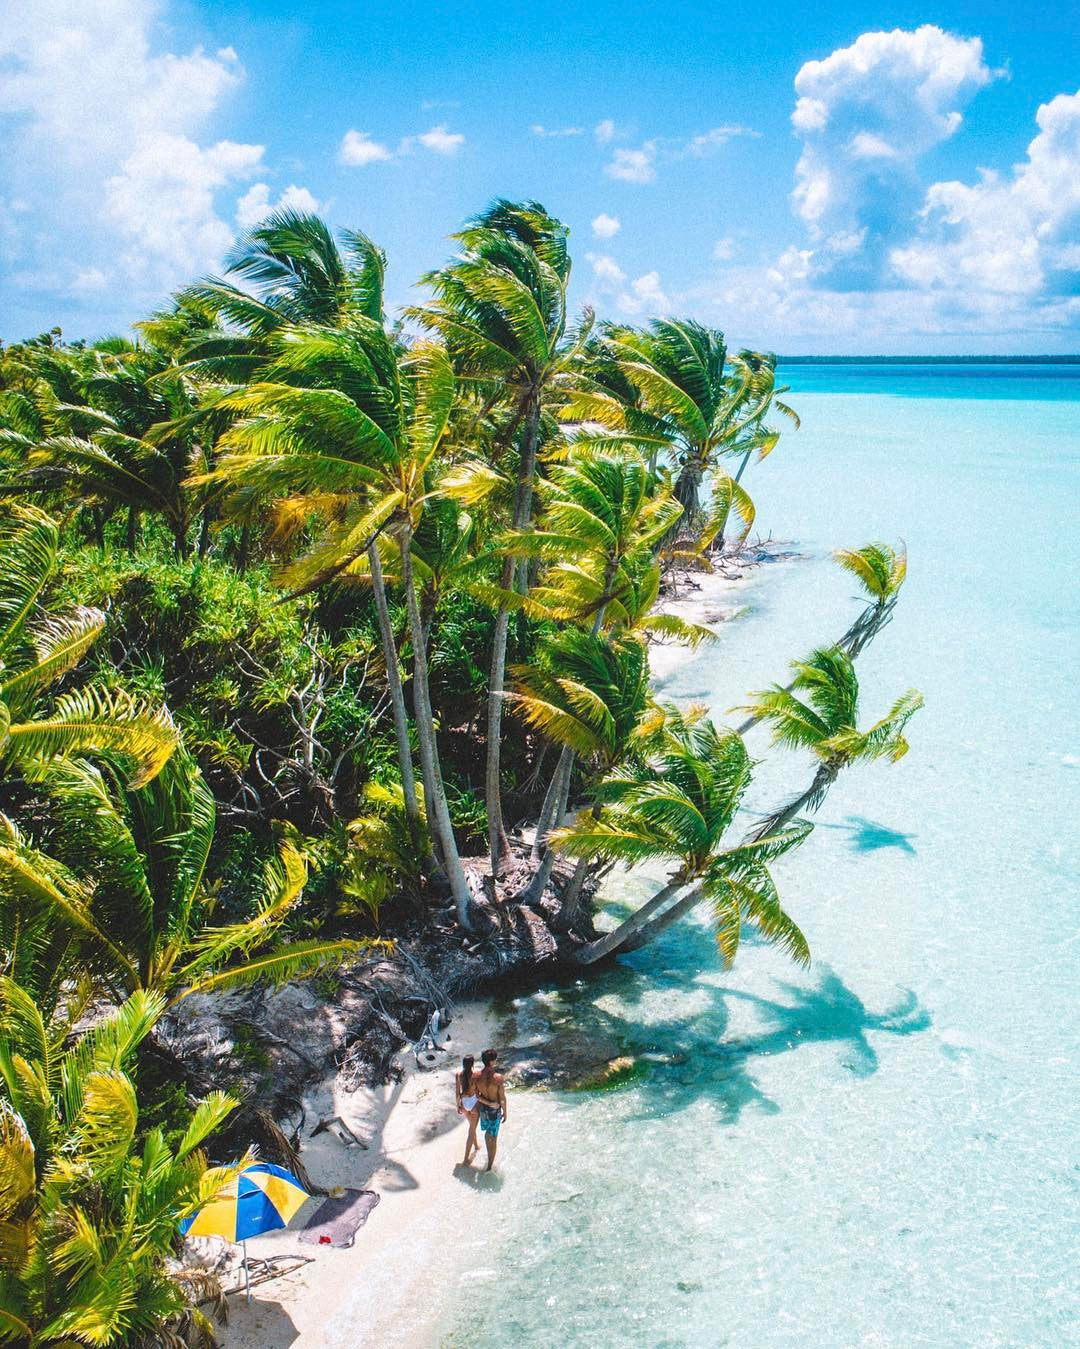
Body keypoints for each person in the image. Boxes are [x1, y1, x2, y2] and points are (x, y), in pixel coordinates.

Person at [474, 1048, 507, 1172]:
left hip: (483, 1109)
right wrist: (505, 1112)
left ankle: (488, 1160)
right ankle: (489, 1166)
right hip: (494, 1111)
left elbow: (476, 1096)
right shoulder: (498, 1078)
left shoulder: (476, 1076)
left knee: (488, 1133)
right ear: (492, 1061)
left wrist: (488, 1103)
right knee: (494, 1137)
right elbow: (502, 1098)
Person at [455, 1054, 480, 1165]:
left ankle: (476, 1146)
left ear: (463, 1064)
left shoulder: (458, 1075)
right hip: (473, 1103)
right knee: (472, 1130)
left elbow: (457, 1093)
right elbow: (479, 1092)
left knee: (472, 1127)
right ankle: (465, 1159)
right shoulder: (475, 1075)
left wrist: (458, 1105)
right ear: (472, 1064)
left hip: (464, 1103)